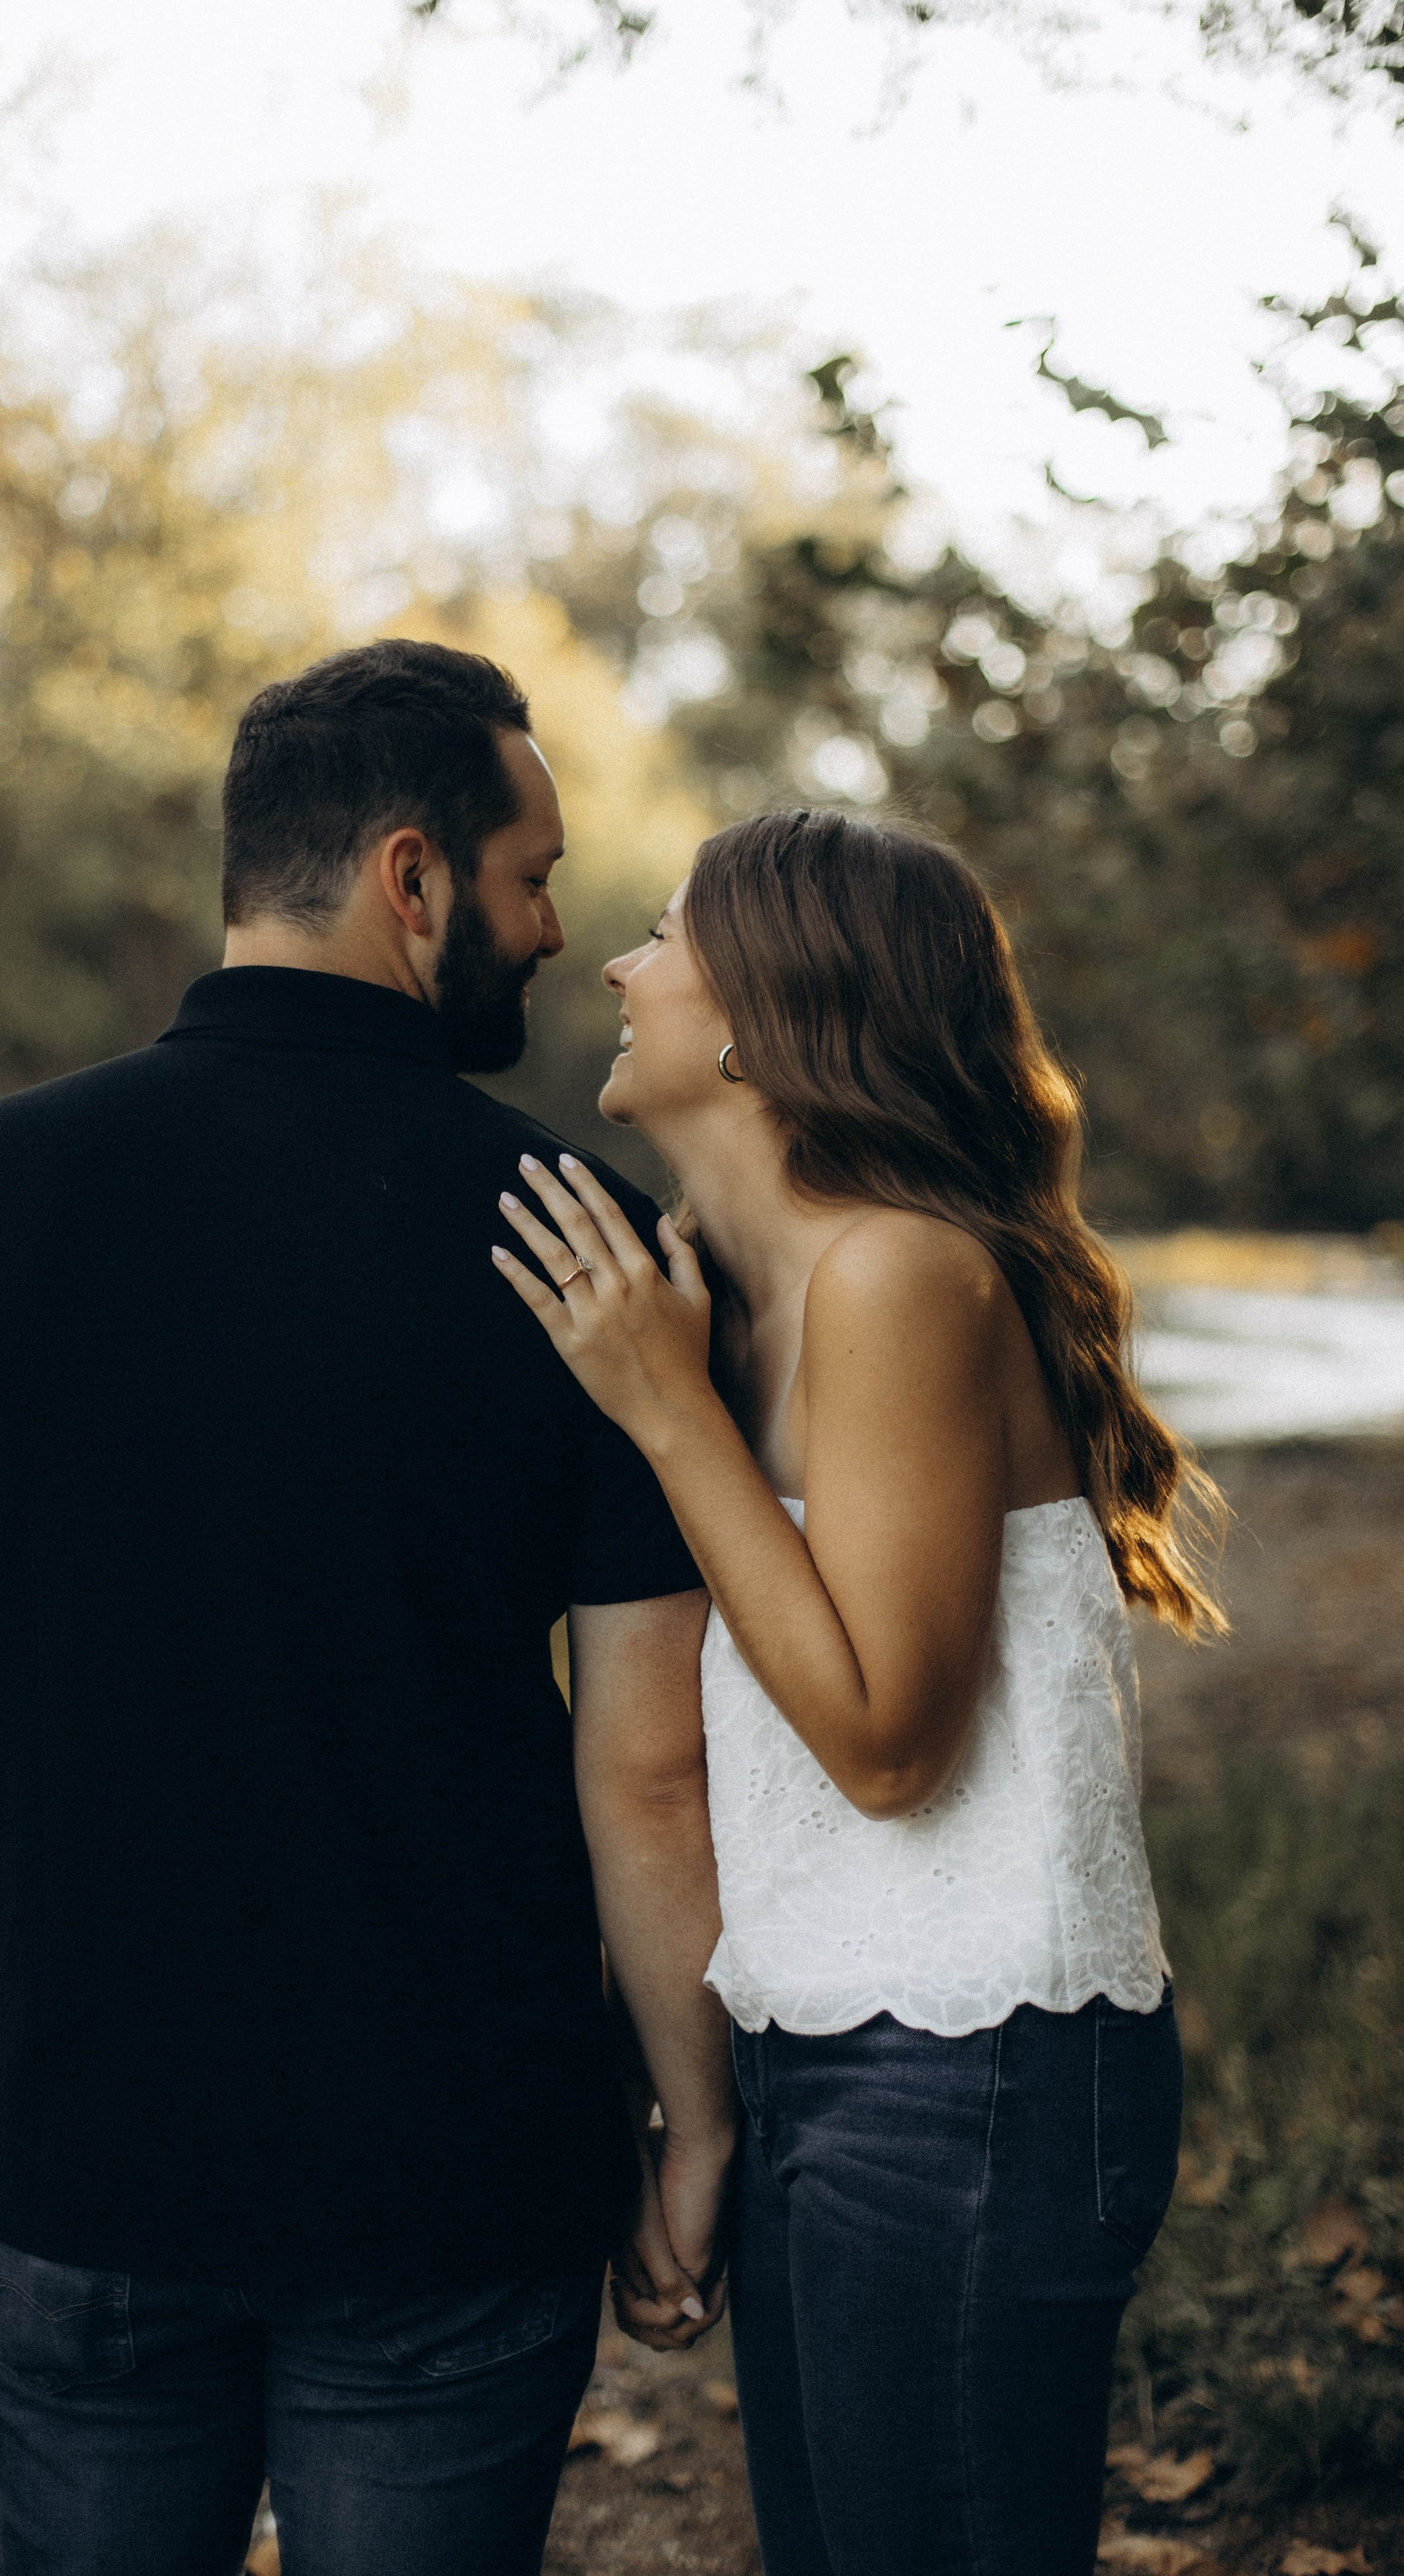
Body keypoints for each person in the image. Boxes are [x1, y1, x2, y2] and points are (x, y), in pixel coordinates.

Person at [0, 639, 733, 2576]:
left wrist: (43, 1978)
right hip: (452, 2174)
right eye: (532, 874)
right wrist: (690, 2117)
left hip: (94, 2158)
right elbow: (643, 1760)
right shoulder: (574, 1234)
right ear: (412, 880)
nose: (556, 929)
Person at [492, 807, 1224, 2576]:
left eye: (664, 933)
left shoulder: (903, 1274)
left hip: (983, 2065)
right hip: (834, 2058)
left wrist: (665, 1416)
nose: (617, 961)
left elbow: (891, 1742)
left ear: (759, 1016)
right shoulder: (746, 1304)